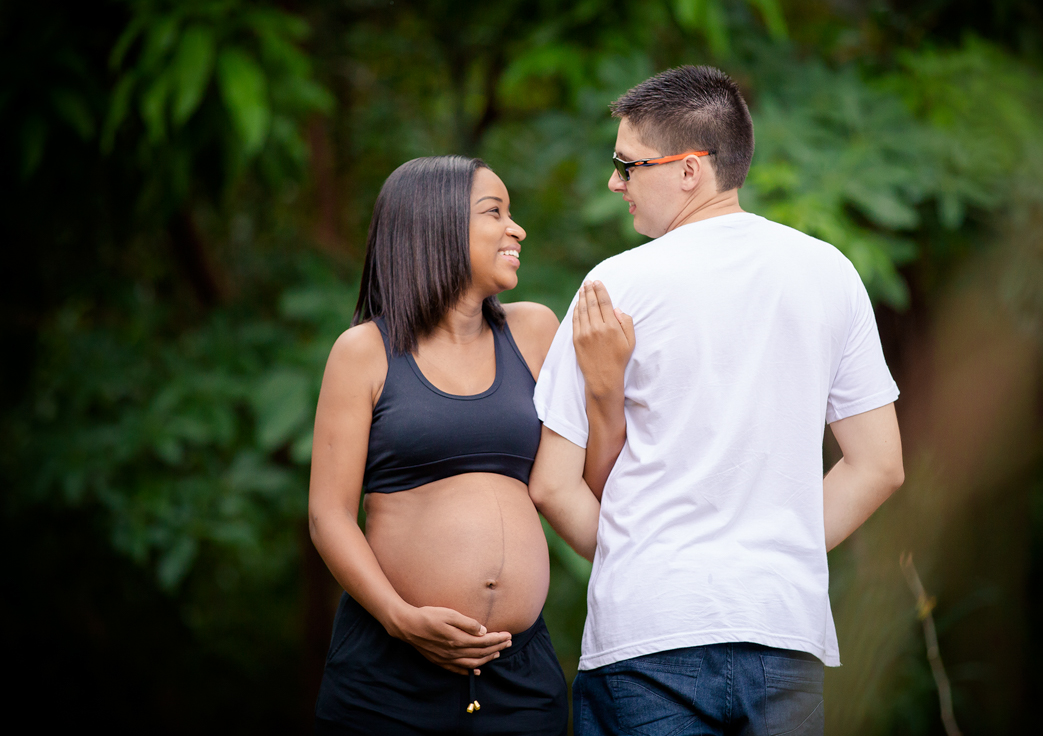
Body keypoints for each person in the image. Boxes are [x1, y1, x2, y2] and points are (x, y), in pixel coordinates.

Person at [530, 65, 906, 735]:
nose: (614, 182)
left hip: (647, 636)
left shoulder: (616, 285)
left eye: (627, 164)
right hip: (784, 630)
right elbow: (879, 466)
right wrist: (776, 547)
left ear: (688, 169)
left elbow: (554, 486)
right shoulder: (830, 272)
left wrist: (639, 557)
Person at [308, 155, 632, 735]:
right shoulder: (362, 352)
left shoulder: (534, 332)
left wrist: (607, 389)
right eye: (495, 213)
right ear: (435, 226)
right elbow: (329, 516)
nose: (517, 229)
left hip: (519, 676)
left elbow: (595, 482)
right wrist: (400, 618)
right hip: (389, 673)